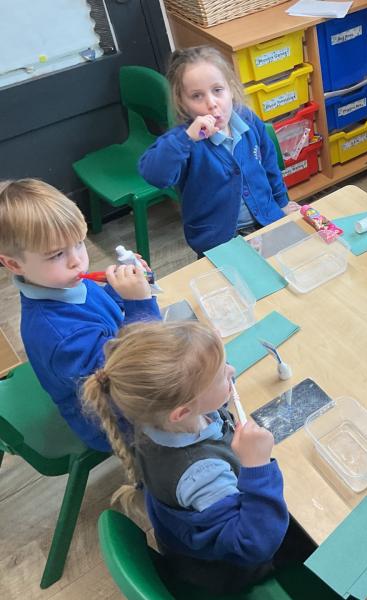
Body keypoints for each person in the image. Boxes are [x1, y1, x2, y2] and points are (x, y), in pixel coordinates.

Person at [81, 321, 314, 593]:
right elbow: (254, 544)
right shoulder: (202, 475)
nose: (232, 371)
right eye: (223, 375)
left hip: (188, 543)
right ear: (182, 411)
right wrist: (258, 467)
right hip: (230, 569)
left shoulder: (152, 417)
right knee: (308, 539)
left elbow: (198, 394)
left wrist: (211, 363)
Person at [0, 178, 160, 451]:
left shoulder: (62, 282)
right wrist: (141, 305)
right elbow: (138, 376)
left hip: (121, 366)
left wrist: (126, 288)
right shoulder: (63, 336)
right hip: (114, 422)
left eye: (79, 243)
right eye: (56, 254)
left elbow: (102, 310)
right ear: (14, 264)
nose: (77, 261)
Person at [138, 46, 299, 257]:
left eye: (217, 90)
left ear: (230, 88)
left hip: (267, 221)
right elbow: (154, 175)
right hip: (218, 243)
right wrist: (186, 139)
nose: (212, 104)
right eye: (197, 96)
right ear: (182, 102)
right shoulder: (184, 140)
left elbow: (270, 166)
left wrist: (282, 203)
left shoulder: (248, 121)